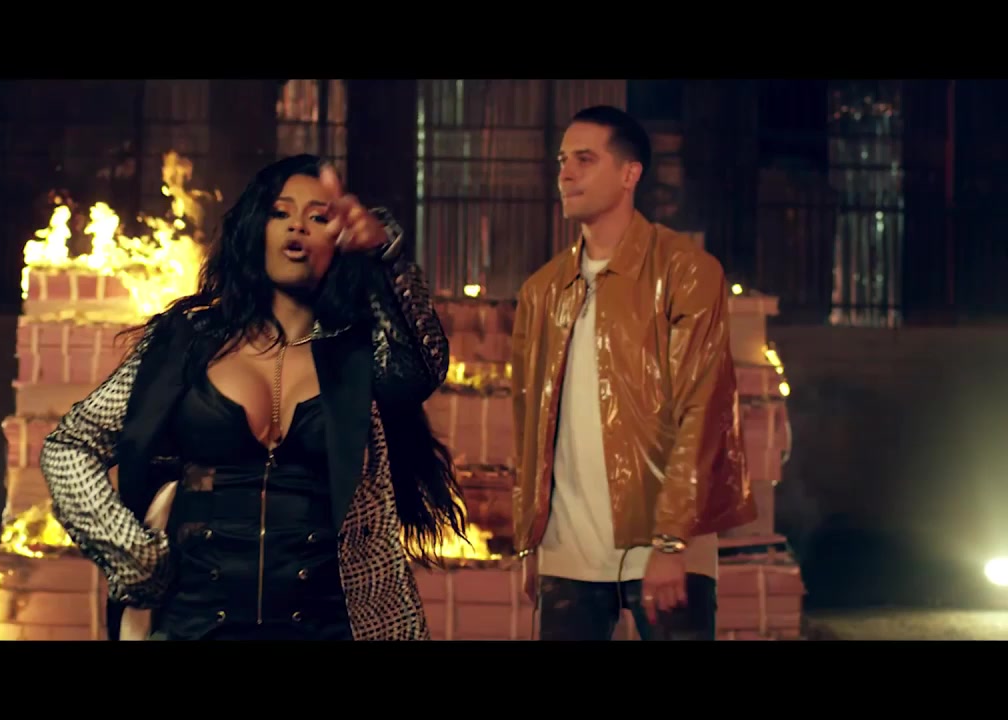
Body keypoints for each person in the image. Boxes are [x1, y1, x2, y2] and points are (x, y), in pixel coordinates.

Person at [40, 153, 465, 641]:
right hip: (192, 626)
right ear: (256, 228)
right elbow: (70, 445)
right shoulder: (187, 342)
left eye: (319, 217)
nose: (297, 226)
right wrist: (134, 556)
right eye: (281, 212)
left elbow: (422, 368)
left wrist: (384, 256)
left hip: (328, 627)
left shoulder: (359, 354)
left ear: (340, 241)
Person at [510, 105, 757, 641]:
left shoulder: (686, 271)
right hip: (567, 548)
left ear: (630, 173)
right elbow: (528, 420)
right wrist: (530, 540)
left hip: (666, 546)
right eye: (562, 160)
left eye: (584, 159)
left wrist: (671, 541)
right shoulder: (542, 291)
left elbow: (703, 407)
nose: (565, 173)